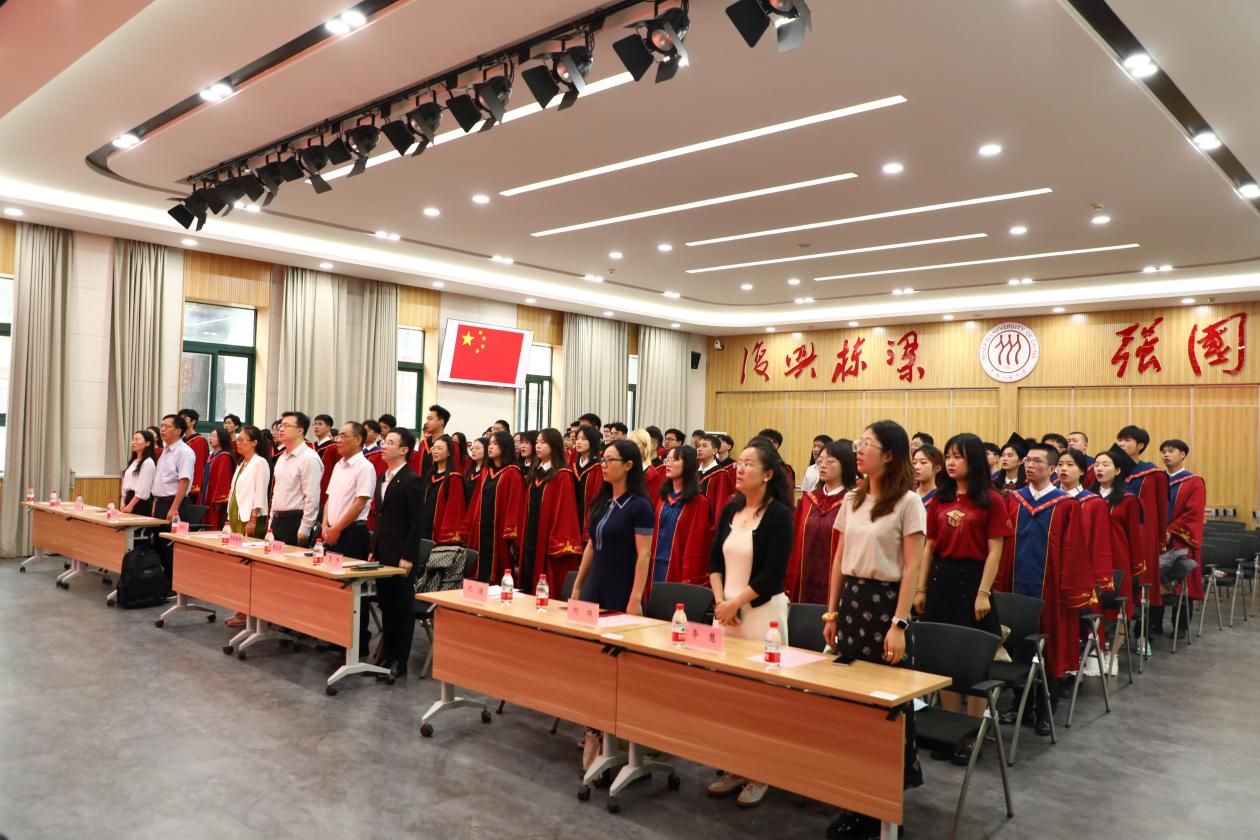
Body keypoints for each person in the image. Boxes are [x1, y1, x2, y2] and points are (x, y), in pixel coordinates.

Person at [822, 420, 925, 837]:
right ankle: (854, 796)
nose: (858, 450)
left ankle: (881, 806)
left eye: (867, 444)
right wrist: (831, 613)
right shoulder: (853, 499)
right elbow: (839, 558)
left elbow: (912, 567)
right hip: (852, 607)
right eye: (858, 443)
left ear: (889, 455)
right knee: (850, 707)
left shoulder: (909, 502)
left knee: (885, 710)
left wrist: (900, 623)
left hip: (886, 609)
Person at [705, 439, 795, 808]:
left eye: (748, 464)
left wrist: (736, 603)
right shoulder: (731, 507)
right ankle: (734, 766)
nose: (739, 469)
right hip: (726, 613)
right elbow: (714, 560)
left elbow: (774, 573)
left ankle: (762, 772)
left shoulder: (779, 515)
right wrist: (721, 603)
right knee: (729, 695)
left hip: (761, 615)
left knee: (761, 697)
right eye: (738, 463)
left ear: (768, 474)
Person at [915, 433, 1011, 745]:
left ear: (974, 461)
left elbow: (995, 551)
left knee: (972, 660)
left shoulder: (992, 500)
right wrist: (920, 589)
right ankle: (950, 729)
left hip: (973, 581)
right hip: (940, 579)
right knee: (944, 659)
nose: (951, 462)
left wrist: (983, 593)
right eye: (948, 456)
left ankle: (972, 733)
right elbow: (929, 546)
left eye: (958, 457)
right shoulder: (940, 498)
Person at [995, 443, 1094, 734]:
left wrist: (1068, 591)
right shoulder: (1015, 500)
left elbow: (1074, 551)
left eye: (1037, 461)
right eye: (1027, 460)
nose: (1029, 465)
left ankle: (1045, 710)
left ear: (1052, 469)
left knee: (1049, 648)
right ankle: (1019, 705)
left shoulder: (1065, 504)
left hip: (1051, 591)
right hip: (1016, 587)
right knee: (1018, 645)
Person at [370, 427, 425, 679]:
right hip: (383, 552)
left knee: (402, 609)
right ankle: (386, 654)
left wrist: (409, 556)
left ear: (404, 450)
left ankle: (399, 662)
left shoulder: (411, 480)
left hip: (401, 555)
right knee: (386, 605)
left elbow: (417, 524)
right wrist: (374, 549)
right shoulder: (383, 477)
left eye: (390, 442)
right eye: (384, 441)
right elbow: (381, 519)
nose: (384, 446)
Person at [1116, 425, 1169, 653]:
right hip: (1117, 537)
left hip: (1143, 538)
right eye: (1120, 439)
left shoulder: (1153, 474)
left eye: (1127, 440)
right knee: (1117, 586)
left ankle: (1142, 635)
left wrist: (1159, 540)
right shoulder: (1113, 469)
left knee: (1143, 586)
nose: (1121, 444)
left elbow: (1161, 509)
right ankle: (1115, 635)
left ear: (1140, 445)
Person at [787, 439, 856, 605]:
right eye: (820, 461)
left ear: (845, 465)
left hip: (839, 582)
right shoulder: (808, 500)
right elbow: (795, 544)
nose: (823, 465)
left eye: (830, 461)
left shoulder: (854, 501)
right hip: (804, 580)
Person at [521, 428, 583, 594]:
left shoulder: (562, 475)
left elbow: (566, 512)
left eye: (543, 442)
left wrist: (557, 542)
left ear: (554, 445)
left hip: (547, 538)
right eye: (537, 442)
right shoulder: (536, 473)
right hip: (531, 537)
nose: (538, 446)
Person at [223, 425, 271, 629]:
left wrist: (252, 519)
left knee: (249, 566)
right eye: (237, 439)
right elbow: (234, 491)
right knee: (238, 566)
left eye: (242, 439)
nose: (238, 443)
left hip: (251, 518)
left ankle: (249, 612)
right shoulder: (242, 462)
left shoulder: (260, 463)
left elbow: (260, 492)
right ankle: (241, 608)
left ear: (255, 443)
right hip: (236, 515)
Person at [648, 444, 713, 591]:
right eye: (668, 459)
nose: (668, 463)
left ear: (688, 465)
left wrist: (688, 580)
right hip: (654, 566)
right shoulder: (663, 498)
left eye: (675, 460)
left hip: (679, 571)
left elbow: (697, 545)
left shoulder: (699, 502)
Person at [464, 430, 524, 582]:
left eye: (495, 444)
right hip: (481, 528)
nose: (490, 447)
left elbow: (515, 504)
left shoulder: (513, 472)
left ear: (505, 446)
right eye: (490, 443)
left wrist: (510, 533)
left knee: (499, 571)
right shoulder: (486, 471)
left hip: (499, 532)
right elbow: (476, 500)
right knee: (478, 569)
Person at [1058, 449, 1116, 596]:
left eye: (1070, 464)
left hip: (1081, 570)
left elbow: (1100, 544)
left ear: (1082, 471)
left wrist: (1099, 579)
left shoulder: (1095, 503)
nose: (1063, 468)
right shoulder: (1050, 500)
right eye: (1060, 464)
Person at [1161, 438, 1204, 635]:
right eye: (1163, 451)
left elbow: (1193, 513)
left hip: (1180, 540)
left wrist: (1170, 530)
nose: (1166, 455)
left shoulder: (1193, 482)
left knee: (1181, 583)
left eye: (1171, 451)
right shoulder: (1157, 480)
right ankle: (1154, 623)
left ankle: (1180, 627)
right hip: (1158, 540)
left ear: (1182, 454)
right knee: (1157, 582)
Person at [321, 422, 375, 560]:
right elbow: (330, 497)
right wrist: (325, 525)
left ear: (358, 440)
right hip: (331, 531)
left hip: (352, 533)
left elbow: (360, 503)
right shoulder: (338, 465)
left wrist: (337, 529)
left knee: (345, 573)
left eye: (343, 436)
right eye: (338, 436)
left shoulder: (365, 467)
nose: (338, 440)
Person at [269, 411, 322, 546]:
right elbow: (276, 492)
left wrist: (305, 528)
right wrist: (270, 523)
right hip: (277, 521)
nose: (281, 429)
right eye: (280, 425)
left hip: (295, 522)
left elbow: (312, 497)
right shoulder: (282, 458)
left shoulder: (309, 458)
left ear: (300, 430)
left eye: (286, 426)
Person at [419, 434, 467, 545]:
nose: (435, 451)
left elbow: (455, 510)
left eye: (439, 448)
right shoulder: (429, 476)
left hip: (440, 530)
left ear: (449, 452)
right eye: (434, 448)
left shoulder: (454, 478)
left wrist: (446, 535)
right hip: (425, 527)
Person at [153, 414, 195, 522]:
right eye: (161, 426)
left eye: (167, 427)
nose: (162, 429)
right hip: (160, 503)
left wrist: (174, 509)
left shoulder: (184, 452)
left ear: (178, 431)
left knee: (169, 534)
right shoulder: (165, 451)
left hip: (174, 504)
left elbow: (184, 482)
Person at [697, 434, 736, 528]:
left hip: (708, 526)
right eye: (698, 446)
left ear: (715, 451)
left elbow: (721, 506)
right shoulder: (694, 472)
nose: (699, 449)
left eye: (704, 446)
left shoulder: (721, 475)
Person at [200, 427, 236, 529]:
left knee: (213, 523)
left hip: (215, 499)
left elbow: (223, 480)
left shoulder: (224, 457)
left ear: (222, 438)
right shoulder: (212, 456)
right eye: (210, 436)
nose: (210, 438)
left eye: (214, 436)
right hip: (206, 494)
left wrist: (219, 499)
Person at [573, 425, 604, 540]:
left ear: (592, 441)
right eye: (577, 438)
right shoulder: (574, 466)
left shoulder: (597, 467)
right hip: (573, 516)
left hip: (589, 517)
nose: (579, 442)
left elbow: (598, 497)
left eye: (583, 439)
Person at [119, 429, 158, 516]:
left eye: (137, 439)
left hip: (140, 502)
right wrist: (122, 500)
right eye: (133, 439)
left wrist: (131, 505)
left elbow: (143, 488)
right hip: (129, 498)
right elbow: (126, 483)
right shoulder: (134, 461)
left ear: (147, 443)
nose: (133, 442)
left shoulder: (148, 462)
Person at [178, 408, 208, 503]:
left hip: (191, 487)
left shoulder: (200, 440)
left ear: (193, 421)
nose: (181, 421)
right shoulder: (181, 441)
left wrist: (194, 487)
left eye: (185, 418)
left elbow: (198, 464)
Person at [411, 404, 451, 476]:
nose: (427, 422)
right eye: (427, 419)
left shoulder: (450, 444)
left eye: (430, 419)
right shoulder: (423, 443)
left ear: (441, 422)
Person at [628, 429, 665, 500]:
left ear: (645, 446)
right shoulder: (625, 468)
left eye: (635, 444)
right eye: (629, 444)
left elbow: (651, 501)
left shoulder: (651, 474)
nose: (630, 447)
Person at [912, 443, 944, 510]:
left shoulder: (941, 497)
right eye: (914, 463)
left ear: (938, 468)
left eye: (923, 462)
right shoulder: (908, 494)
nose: (916, 467)